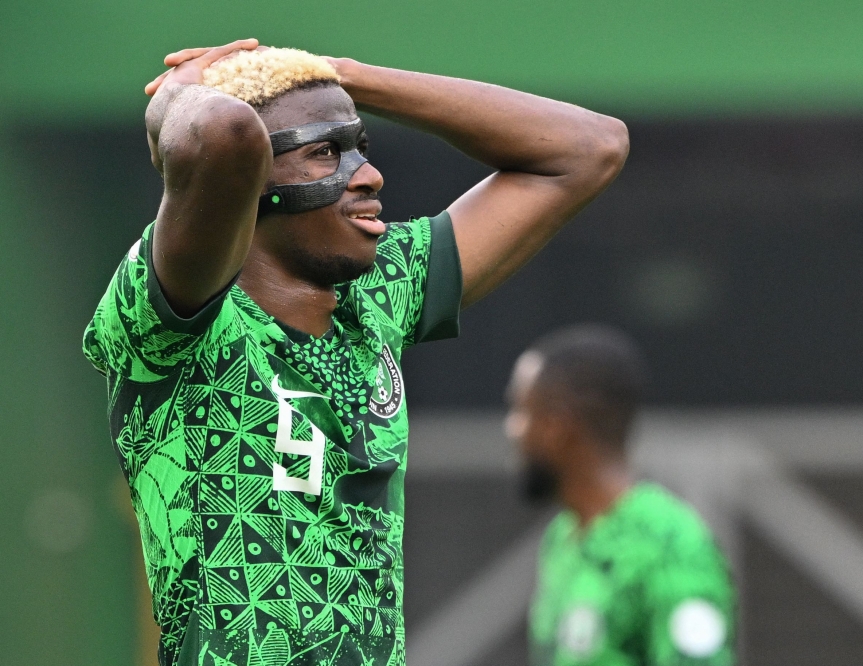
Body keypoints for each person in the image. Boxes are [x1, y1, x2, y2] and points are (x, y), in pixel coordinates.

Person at [82, 40, 628, 666]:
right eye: (324, 152)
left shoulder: (378, 290)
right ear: (251, 183)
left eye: (359, 147)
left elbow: (589, 148)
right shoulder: (173, 318)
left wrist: (337, 75)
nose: (367, 175)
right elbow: (223, 133)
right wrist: (175, 102)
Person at [505, 325, 737, 665]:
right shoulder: (562, 538)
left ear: (557, 428)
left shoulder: (668, 544)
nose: (511, 430)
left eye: (522, 412)